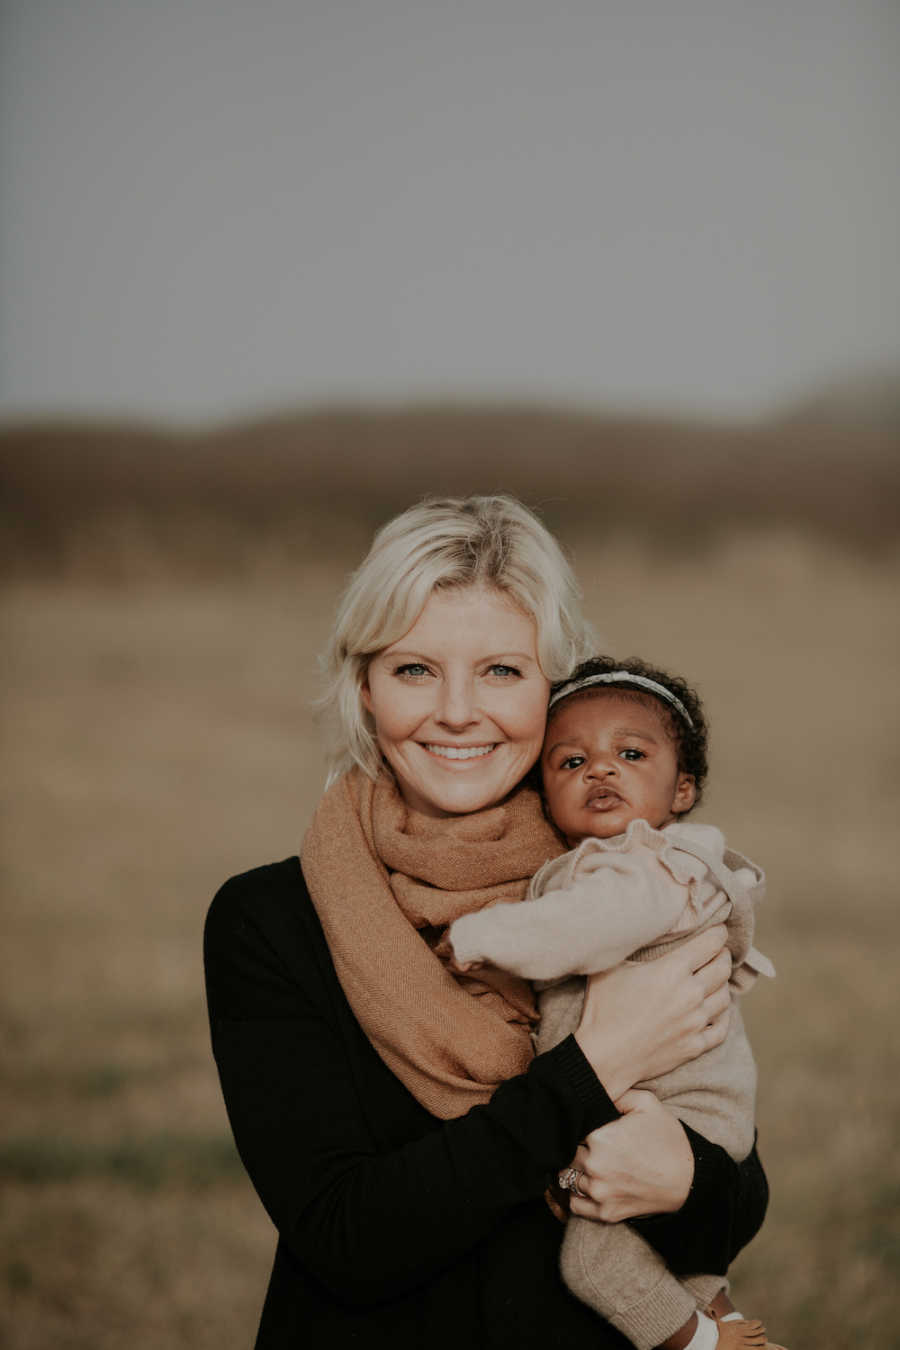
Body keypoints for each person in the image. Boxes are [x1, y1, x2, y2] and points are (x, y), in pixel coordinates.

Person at [203, 495, 770, 1349]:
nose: (458, 712)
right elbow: (347, 1241)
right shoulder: (268, 921)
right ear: (364, 688)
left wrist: (685, 1178)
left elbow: (733, 1203)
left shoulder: (625, 884)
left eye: (502, 671)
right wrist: (598, 1064)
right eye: (414, 670)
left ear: (557, 689)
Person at [448, 655, 780, 1350]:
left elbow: (592, 928)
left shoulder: (653, 864)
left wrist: (482, 934)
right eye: (570, 762)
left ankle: (702, 1345)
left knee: (591, 1261)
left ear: (682, 789)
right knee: (652, 1258)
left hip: (683, 1111)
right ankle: (715, 1314)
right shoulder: (588, 867)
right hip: (658, 1110)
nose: (599, 770)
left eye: (630, 753)